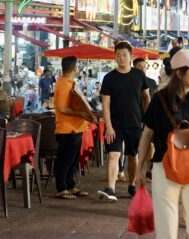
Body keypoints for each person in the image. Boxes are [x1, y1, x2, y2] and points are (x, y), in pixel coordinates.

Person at [136, 49, 189, 239]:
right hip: (164, 169)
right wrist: (140, 167)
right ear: (179, 73)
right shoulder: (159, 99)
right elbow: (147, 135)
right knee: (166, 231)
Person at [98, 42, 150, 201]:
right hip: (114, 124)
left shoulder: (139, 75)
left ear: (130, 56)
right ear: (115, 57)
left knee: (133, 155)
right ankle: (111, 188)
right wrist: (108, 126)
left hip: (135, 123)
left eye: (124, 55)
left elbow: (146, 97)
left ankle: (132, 184)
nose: (121, 58)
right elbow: (105, 104)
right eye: (118, 55)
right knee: (113, 154)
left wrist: (147, 118)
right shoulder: (109, 78)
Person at [53, 55, 95, 199]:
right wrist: (80, 113)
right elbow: (62, 108)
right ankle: (61, 188)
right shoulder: (64, 84)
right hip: (67, 129)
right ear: (74, 68)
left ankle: (70, 186)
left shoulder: (70, 83)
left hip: (76, 128)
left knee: (72, 161)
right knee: (65, 160)